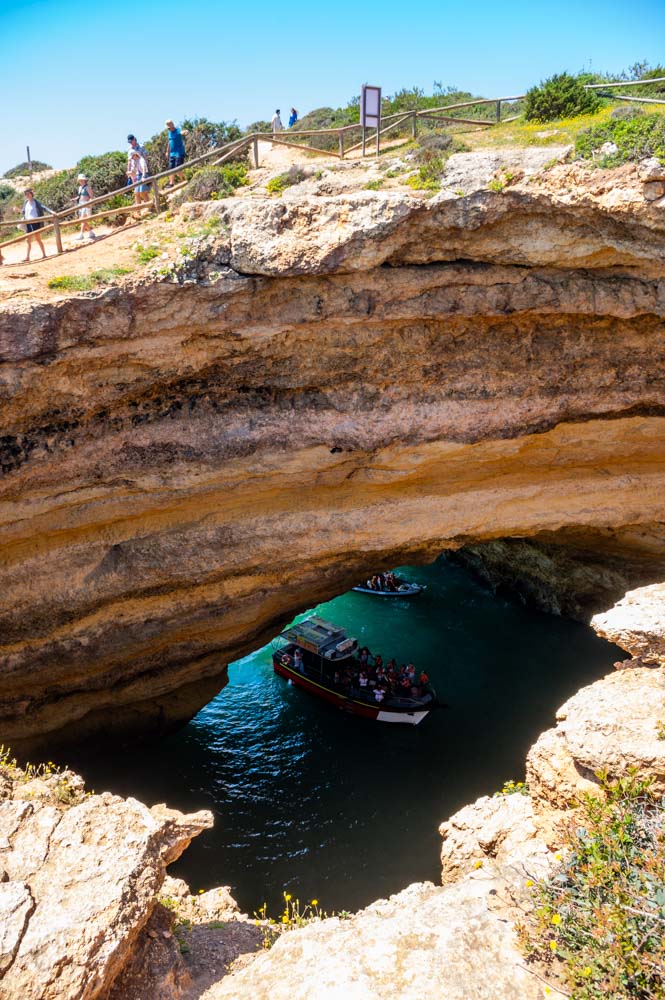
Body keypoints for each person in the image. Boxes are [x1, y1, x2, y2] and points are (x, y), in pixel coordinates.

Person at [22, 189, 48, 261]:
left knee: (38, 239)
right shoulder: (26, 202)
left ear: (31, 194)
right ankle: (27, 257)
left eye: (28, 194)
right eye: (26, 194)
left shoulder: (36, 202)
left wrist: (52, 212)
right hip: (28, 223)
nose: (27, 195)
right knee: (28, 240)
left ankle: (44, 254)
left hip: (35, 222)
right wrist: (17, 210)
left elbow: (44, 207)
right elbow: (23, 211)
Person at [74, 174, 95, 241]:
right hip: (81, 204)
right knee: (82, 219)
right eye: (80, 180)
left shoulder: (87, 187)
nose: (81, 181)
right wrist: (75, 199)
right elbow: (79, 196)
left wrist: (89, 204)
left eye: (82, 180)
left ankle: (81, 234)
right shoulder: (80, 188)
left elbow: (91, 197)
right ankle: (91, 232)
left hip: (86, 204)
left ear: (84, 180)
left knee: (83, 219)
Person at [165, 119, 186, 184]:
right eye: (167, 128)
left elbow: (183, 132)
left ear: (172, 126)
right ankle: (171, 182)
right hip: (172, 153)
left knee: (178, 167)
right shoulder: (169, 133)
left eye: (169, 127)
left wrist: (184, 132)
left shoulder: (177, 130)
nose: (168, 129)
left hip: (179, 152)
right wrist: (167, 151)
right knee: (171, 168)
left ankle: (182, 180)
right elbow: (169, 142)